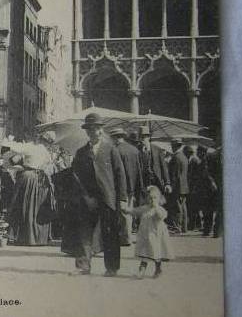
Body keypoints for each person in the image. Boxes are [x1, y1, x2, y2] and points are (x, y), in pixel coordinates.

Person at [71, 112, 128, 276]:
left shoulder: (111, 150)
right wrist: (86, 197)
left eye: (95, 128)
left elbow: (120, 175)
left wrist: (122, 199)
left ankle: (111, 267)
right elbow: (76, 176)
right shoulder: (81, 152)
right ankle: (84, 265)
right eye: (89, 129)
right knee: (85, 232)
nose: (92, 132)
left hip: (107, 198)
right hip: (87, 198)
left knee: (110, 233)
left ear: (101, 130)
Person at [7, 143, 55, 246]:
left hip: (28, 177)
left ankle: (24, 237)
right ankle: (39, 239)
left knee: (22, 204)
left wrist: (19, 163)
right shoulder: (47, 152)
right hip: (42, 179)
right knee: (37, 207)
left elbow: (12, 160)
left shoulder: (29, 147)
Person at [123, 185, 173, 279]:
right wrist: (128, 211)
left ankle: (158, 269)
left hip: (156, 236)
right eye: (150, 198)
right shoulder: (145, 208)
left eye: (154, 198)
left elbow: (162, 215)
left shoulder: (159, 209)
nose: (152, 200)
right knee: (144, 254)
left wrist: (156, 208)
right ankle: (141, 271)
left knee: (156, 254)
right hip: (145, 236)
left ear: (159, 199)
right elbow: (136, 211)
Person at [109, 128, 144, 246]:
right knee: (128, 210)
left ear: (115, 137)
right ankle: (127, 236)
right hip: (133, 186)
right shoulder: (134, 150)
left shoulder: (115, 150)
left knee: (122, 212)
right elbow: (139, 170)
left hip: (120, 186)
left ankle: (125, 238)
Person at [137, 126, 171, 198]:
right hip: (144, 182)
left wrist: (167, 183)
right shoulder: (137, 150)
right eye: (141, 137)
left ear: (148, 137)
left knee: (157, 201)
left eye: (144, 137)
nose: (143, 139)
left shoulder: (157, 150)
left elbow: (164, 167)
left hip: (156, 181)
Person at [168, 139, 190, 234]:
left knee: (177, 208)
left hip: (178, 186)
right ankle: (184, 227)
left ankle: (178, 227)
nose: (172, 147)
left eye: (172, 145)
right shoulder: (184, 157)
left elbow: (174, 175)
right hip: (184, 186)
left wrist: (171, 187)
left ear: (175, 146)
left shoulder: (176, 157)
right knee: (183, 207)